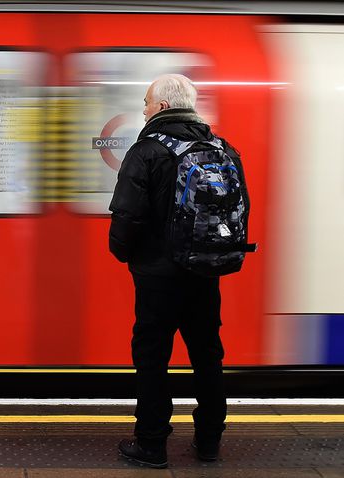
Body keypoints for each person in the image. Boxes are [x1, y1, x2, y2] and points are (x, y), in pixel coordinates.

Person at [109, 74, 247, 468]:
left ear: (163, 107)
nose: (144, 109)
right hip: (206, 272)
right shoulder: (223, 149)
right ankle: (209, 442)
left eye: (147, 103)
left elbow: (127, 214)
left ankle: (151, 444)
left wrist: (123, 253)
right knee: (207, 354)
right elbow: (239, 210)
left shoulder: (148, 150)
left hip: (157, 275)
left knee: (153, 357)